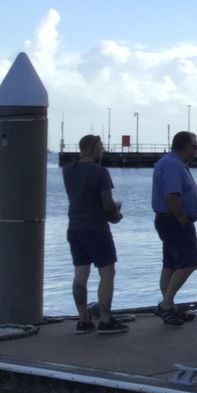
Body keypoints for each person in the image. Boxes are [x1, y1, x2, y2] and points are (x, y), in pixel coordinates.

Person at [63, 135, 127, 335]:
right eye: (101, 147)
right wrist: (116, 215)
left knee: (80, 274)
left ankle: (83, 320)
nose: (103, 151)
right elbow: (107, 204)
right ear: (94, 148)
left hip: (75, 227)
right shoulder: (100, 172)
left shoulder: (68, 170)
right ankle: (106, 320)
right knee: (107, 273)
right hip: (96, 228)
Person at [152, 131, 197, 326]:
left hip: (169, 220)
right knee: (189, 262)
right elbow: (172, 196)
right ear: (187, 146)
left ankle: (170, 307)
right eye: (195, 147)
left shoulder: (172, 163)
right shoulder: (172, 165)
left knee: (171, 264)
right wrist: (183, 220)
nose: (196, 151)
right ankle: (166, 305)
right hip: (174, 220)